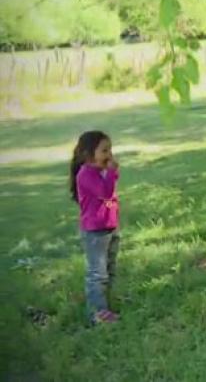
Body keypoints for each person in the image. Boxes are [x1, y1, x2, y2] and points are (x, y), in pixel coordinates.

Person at [70, 130, 121, 324]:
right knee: (97, 273)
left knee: (109, 268)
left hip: (109, 226)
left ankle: (106, 305)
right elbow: (106, 193)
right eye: (104, 150)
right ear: (88, 154)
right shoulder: (86, 174)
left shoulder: (98, 172)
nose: (109, 154)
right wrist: (112, 173)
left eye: (110, 149)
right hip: (95, 231)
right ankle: (97, 313)